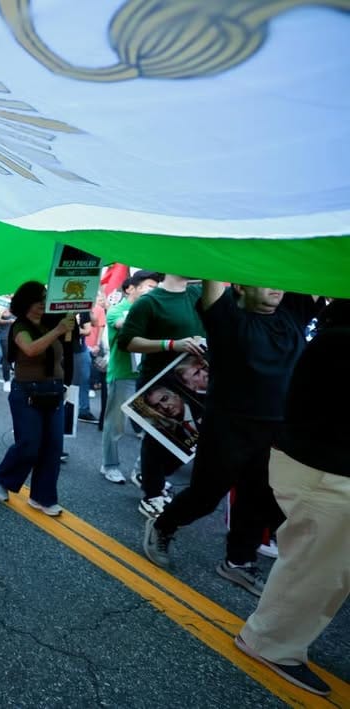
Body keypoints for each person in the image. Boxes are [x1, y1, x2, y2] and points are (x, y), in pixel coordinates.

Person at [143, 281, 321, 595]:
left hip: (276, 430)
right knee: (205, 496)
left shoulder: (293, 312)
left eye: (281, 282)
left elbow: (314, 275)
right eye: (266, 282)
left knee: (259, 499)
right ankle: (162, 525)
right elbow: (214, 278)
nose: (277, 288)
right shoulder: (227, 319)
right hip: (228, 427)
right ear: (240, 286)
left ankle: (238, 561)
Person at [233, 300, 349, 697]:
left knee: (320, 563)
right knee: (318, 566)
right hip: (324, 469)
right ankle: (270, 642)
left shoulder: (329, 337)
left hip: (319, 464)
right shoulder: (338, 341)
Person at [119, 274, 205, 519]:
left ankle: (150, 474)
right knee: (158, 437)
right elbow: (127, 341)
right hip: (160, 381)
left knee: (189, 439)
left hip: (192, 380)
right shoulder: (150, 302)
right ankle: (152, 495)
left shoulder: (198, 294)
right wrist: (171, 345)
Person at [0, 281, 73, 516]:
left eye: (46, 299)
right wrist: (58, 331)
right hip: (26, 393)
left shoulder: (52, 323)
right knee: (29, 445)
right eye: (40, 300)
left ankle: (43, 497)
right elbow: (30, 350)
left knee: (53, 447)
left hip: (54, 392)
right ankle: (2, 476)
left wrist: (68, 323)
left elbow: (65, 353)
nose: (44, 304)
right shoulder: (20, 327)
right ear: (27, 303)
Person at [100, 272, 159, 483]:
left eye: (156, 287)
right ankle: (110, 465)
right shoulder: (117, 311)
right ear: (130, 288)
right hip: (123, 375)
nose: (154, 291)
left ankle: (143, 470)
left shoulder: (153, 310)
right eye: (150, 287)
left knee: (152, 426)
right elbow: (123, 325)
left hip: (146, 377)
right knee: (115, 424)